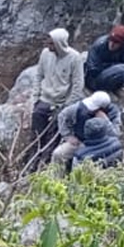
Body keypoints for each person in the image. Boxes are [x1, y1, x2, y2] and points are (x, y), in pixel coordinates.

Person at [27, 28, 82, 173]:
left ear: (59, 43)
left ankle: (44, 167)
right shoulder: (45, 54)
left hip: (61, 103)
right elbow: (38, 76)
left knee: (53, 137)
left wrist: (66, 106)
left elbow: (77, 85)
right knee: (36, 135)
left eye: (52, 44)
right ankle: (32, 165)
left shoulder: (75, 58)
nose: (48, 47)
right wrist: (35, 99)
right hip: (44, 100)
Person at [52, 91, 110, 169]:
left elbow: (115, 135)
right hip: (79, 142)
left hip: (98, 146)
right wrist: (68, 136)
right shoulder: (78, 108)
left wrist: (105, 121)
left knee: (83, 161)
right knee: (58, 154)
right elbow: (62, 116)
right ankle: (57, 179)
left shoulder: (111, 112)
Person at [84, 25, 124, 94]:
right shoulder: (99, 44)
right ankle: (111, 87)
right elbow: (92, 69)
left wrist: (117, 73)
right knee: (121, 68)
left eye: (116, 42)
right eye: (111, 40)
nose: (112, 44)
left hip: (118, 75)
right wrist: (112, 68)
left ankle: (117, 85)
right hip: (97, 79)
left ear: (122, 43)